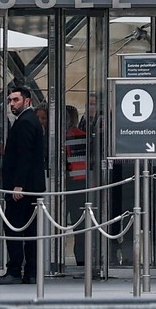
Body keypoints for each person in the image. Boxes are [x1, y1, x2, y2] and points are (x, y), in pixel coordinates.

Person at [0, 85, 45, 284]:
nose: (12, 104)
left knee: (14, 227)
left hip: (23, 188)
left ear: (27, 101)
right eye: (10, 100)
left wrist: (18, 185)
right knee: (29, 229)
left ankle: (16, 269)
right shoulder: (28, 120)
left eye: (16, 100)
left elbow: (25, 156)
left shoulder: (25, 121)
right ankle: (31, 271)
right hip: (30, 186)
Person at [62, 105, 88, 266]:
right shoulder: (82, 136)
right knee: (80, 226)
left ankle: (54, 259)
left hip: (72, 184)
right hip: (79, 184)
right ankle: (81, 260)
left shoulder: (63, 136)